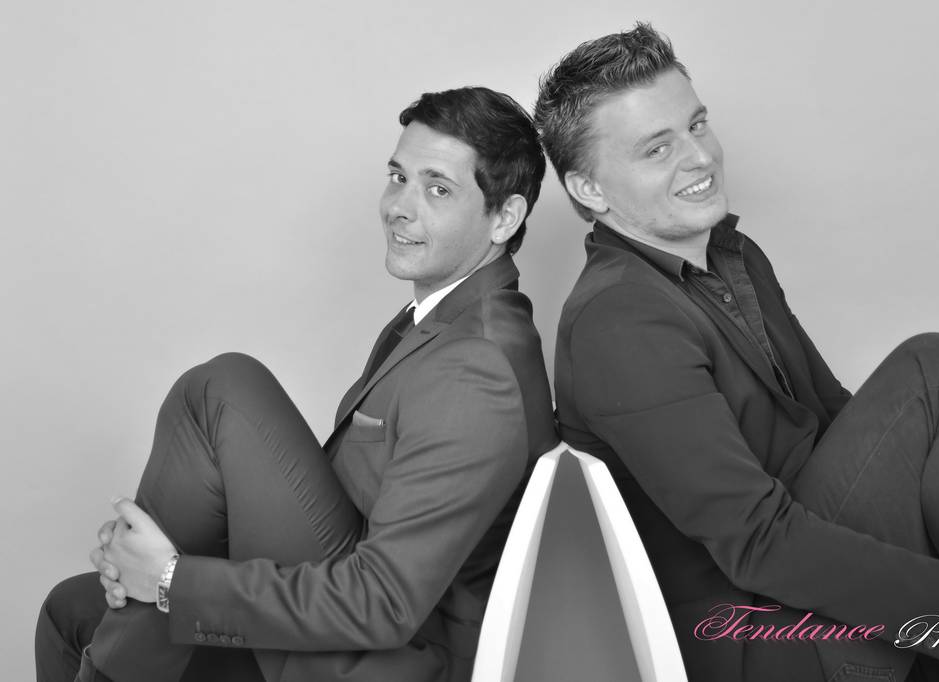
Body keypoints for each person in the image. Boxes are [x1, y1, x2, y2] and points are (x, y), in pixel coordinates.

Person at [536, 23, 939, 682]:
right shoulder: (618, 318)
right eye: (658, 148)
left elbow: (836, 420)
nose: (700, 157)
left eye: (696, 125)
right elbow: (755, 542)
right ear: (590, 190)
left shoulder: (732, 257)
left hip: (814, 564)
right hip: (760, 634)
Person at [35, 85, 559, 682]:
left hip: (387, 660)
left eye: (438, 189)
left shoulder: (477, 365)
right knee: (70, 608)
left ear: (505, 217)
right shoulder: (440, 323)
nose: (399, 207)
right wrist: (153, 561)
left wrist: (168, 579)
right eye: (398, 177)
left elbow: (383, 603)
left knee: (223, 390)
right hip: (342, 612)